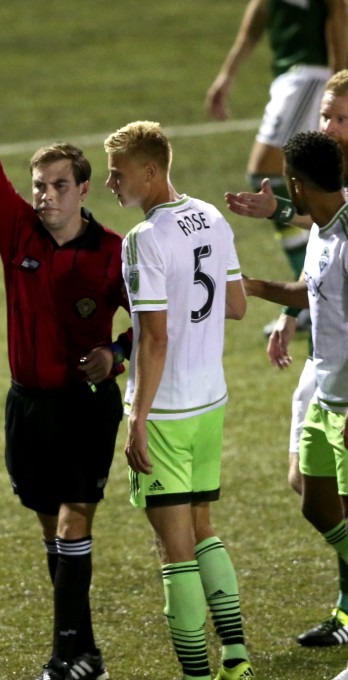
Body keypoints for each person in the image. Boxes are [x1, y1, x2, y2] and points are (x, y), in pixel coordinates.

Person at [0, 29, 130, 680]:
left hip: (86, 406)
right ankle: (88, 653)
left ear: (83, 189)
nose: (44, 194)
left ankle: (62, 657)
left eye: (57, 184)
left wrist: (115, 353)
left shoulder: (113, 254)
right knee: (52, 530)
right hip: (27, 408)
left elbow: (150, 326)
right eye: (38, 185)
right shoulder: (17, 232)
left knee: (76, 523)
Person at [103, 121, 251, 680]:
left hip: (166, 411)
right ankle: (236, 658)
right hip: (210, 401)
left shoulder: (143, 239)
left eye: (117, 174)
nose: (111, 184)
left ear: (150, 172)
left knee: (174, 550)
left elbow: (155, 338)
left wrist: (137, 418)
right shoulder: (211, 216)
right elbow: (236, 304)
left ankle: (196, 675)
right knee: (202, 527)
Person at [224, 69, 348, 647]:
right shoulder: (324, 224)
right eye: (327, 116)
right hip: (325, 384)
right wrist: (265, 294)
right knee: (312, 496)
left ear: (296, 182)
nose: (332, 127)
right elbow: (314, 283)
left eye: (342, 118)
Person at [206, 0, 345, 301]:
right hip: (289, 76)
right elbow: (258, 16)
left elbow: (339, 13)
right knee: (288, 179)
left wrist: (339, 82)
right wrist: (227, 74)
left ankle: (309, 291)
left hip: (311, 75)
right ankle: (307, 293)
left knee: (271, 173)